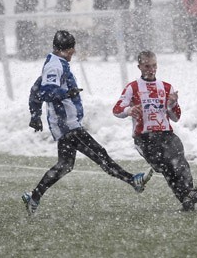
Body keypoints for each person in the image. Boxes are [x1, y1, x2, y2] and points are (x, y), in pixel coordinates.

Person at [22, 30, 153, 216]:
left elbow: (35, 89)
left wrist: (35, 115)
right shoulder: (55, 66)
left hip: (67, 123)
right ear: (67, 49)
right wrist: (67, 94)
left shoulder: (55, 62)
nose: (73, 52)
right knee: (100, 154)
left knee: (65, 165)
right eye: (72, 49)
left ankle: (34, 197)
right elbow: (46, 92)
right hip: (67, 125)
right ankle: (133, 180)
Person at [113, 50, 197, 211]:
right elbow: (116, 109)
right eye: (147, 66)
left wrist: (172, 105)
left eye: (154, 65)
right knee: (167, 168)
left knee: (179, 161)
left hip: (166, 134)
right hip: (144, 138)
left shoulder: (166, 87)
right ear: (139, 66)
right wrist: (129, 110)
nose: (151, 69)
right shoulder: (133, 87)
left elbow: (176, 117)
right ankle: (185, 196)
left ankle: (189, 192)